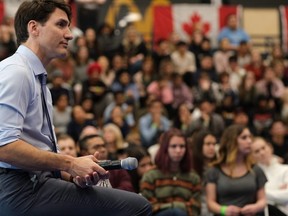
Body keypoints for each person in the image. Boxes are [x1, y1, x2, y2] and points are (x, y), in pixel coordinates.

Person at [0, 1, 152, 216]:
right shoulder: (17, 72)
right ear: (33, 28)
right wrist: (70, 163)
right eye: (61, 25)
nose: (70, 34)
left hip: (33, 183)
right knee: (138, 207)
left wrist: (73, 173)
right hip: (19, 190)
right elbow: (4, 146)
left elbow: (36, 148)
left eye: (68, 26)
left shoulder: (35, 76)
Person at [205, 124, 267, 216]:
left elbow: (263, 200)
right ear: (232, 141)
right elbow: (210, 204)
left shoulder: (256, 170)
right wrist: (223, 210)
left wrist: (255, 207)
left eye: (250, 137)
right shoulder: (214, 171)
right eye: (244, 138)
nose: (249, 141)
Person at [140, 128, 202, 216]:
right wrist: (176, 206)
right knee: (175, 212)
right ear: (165, 148)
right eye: (173, 146)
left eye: (182, 146)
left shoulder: (193, 177)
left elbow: (196, 207)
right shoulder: (150, 176)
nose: (178, 150)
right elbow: (147, 206)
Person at [251, 137, 288, 216]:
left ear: (270, 147)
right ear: (252, 156)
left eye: (263, 148)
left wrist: (262, 193)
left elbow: (286, 196)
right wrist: (278, 191)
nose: (262, 153)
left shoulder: (286, 169)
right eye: (257, 151)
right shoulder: (253, 175)